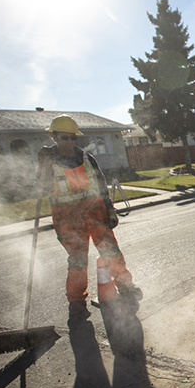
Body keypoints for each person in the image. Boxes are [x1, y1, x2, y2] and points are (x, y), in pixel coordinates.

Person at [38, 115, 142, 318]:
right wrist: (42, 167)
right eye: (64, 137)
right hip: (68, 220)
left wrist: (110, 209)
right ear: (54, 137)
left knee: (111, 252)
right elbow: (41, 190)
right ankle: (76, 301)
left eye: (72, 138)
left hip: (95, 213)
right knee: (77, 261)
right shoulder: (47, 162)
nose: (69, 141)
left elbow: (101, 185)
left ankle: (125, 287)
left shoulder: (87, 159)